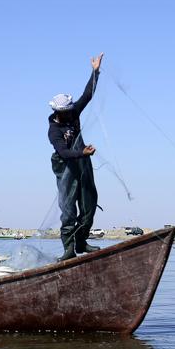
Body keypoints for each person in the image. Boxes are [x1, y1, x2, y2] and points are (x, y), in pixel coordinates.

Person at [48, 52, 104, 260]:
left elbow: (87, 95)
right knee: (69, 208)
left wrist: (95, 71)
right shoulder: (53, 130)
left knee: (89, 203)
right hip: (65, 166)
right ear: (57, 112)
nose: (70, 113)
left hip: (82, 162)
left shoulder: (73, 112)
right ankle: (69, 248)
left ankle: (81, 241)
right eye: (66, 111)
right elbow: (63, 152)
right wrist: (82, 152)